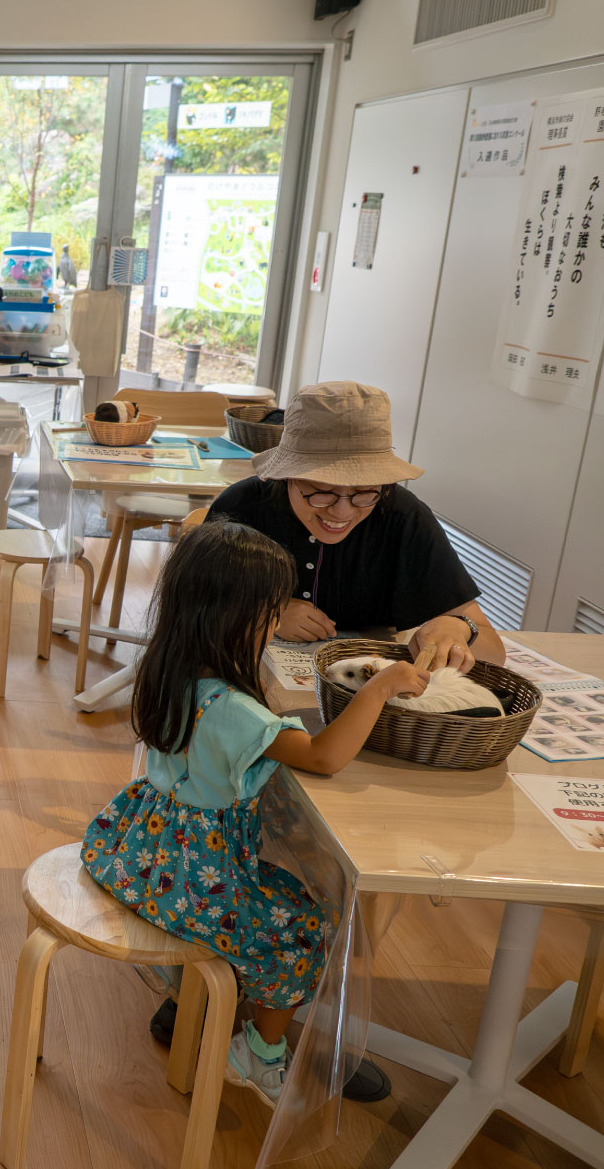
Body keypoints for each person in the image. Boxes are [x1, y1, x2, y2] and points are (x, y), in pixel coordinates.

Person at [81, 522, 430, 1106]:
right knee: (303, 929)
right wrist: (380, 688)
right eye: (271, 613)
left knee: (285, 900)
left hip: (141, 852)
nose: (276, 624)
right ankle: (257, 1055)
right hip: (195, 877)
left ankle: (205, 998)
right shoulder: (234, 709)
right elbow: (324, 756)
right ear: (235, 616)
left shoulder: (168, 670)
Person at [208, 381, 504, 673]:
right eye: (321, 491)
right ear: (287, 476)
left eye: (364, 492)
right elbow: (181, 615)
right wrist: (263, 614)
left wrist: (458, 627)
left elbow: (494, 651)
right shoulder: (242, 509)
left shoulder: (404, 518)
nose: (342, 510)